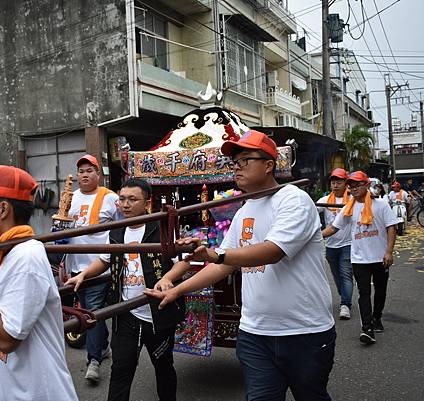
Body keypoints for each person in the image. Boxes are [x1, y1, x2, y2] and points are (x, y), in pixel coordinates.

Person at [146, 130, 336, 401]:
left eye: (244, 160)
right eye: (234, 162)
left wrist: (218, 256)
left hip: (304, 331)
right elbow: (222, 265)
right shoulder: (244, 211)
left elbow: (272, 252)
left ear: (268, 165)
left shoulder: (293, 199)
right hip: (255, 333)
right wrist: (178, 289)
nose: (236, 167)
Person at [0, 165, 78, 401]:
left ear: (3, 209)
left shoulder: (25, 257)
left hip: (37, 393)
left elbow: (6, 340)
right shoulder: (9, 252)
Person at [65, 179, 184, 401]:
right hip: (127, 314)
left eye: (132, 199)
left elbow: (184, 260)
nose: (125, 204)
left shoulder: (163, 227)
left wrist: (168, 278)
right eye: (122, 199)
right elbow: (105, 259)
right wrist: (83, 275)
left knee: (164, 368)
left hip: (158, 312)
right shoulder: (117, 231)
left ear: (146, 203)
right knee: (120, 371)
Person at [322, 171, 398, 345]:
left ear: (366, 185)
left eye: (357, 185)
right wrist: (315, 237)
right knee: (364, 293)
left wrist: (389, 251)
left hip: (380, 258)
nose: (354, 188)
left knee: (380, 291)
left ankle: (377, 317)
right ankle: (367, 328)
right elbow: (333, 228)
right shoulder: (349, 208)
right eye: (351, 185)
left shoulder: (381, 205)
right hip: (359, 259)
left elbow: (391, 227)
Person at [65, 154, 119, 382]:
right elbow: (61, 226)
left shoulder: (111, 198)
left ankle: (93, 361)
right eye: (81, 171)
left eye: (89, 170)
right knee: (88, 309)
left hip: (99, 266)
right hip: (75, 267)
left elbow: (123, 227)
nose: (84, 175)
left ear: (99, 174)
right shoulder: (70, 198)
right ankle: (103, 347)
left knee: (92, 311)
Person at [317, 168, 353, 320]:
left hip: (348, 244)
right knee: (336, 276)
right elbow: (309, 211)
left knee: (345, 274)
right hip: (331, 245)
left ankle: (345, 305)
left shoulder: (352, 200)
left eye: (339, 182)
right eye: (333, 182)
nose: (335, 185)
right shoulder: (325, 201)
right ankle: (345, 294)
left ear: (346, 184)